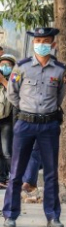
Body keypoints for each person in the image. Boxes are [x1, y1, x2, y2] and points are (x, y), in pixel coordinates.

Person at [2, 27, 66, 227]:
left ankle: (53, 216)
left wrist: (47, 113)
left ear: (53, 44)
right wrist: (26, 110)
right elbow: (12, 94)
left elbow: (60, 96)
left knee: (51, 174)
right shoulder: (21, 68)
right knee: (16, 172)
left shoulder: (60, 70)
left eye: (46, 41)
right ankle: (10, 214)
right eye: (38, 41)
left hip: (49, 125)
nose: (41, 44)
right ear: (33, 43)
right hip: (25, 123)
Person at [0, 54, 16, 189]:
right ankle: (2, 178)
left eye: (8, 65)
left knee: (6, 151)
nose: (4, 67)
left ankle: (14, 177)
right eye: (2, 64)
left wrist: (4, 82)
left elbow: (16, 96)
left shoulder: (14, 80)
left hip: (7, 120)